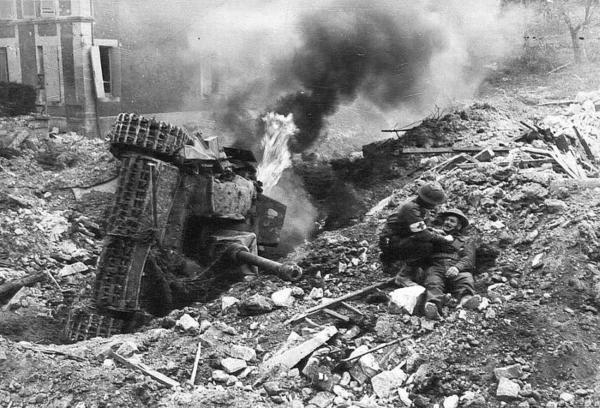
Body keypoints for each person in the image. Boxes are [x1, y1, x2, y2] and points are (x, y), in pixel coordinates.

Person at [379, 182, 454, 287]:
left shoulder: (418, 206)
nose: (435, 205)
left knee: (432, 241)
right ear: (427, 201)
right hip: (391, 242)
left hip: (401, 237)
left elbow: (416, 227)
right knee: (426, 246)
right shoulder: (411, 208)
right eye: (434, 203)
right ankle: (403, 276)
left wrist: (434, 230)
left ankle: (415, 270)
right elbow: (423, 235)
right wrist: (443, 239)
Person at [422, 208, 477, 321]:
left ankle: (466, 300)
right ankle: (433, 306)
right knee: (433, 282)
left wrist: (457, 267)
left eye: (452, 221)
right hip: (436, 267)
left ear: (459, 226)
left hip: (456, 268)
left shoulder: (465, 240)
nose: (447, 223)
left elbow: (469, 258)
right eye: (446, 220)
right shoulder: (433, 235)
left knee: (466, 278)